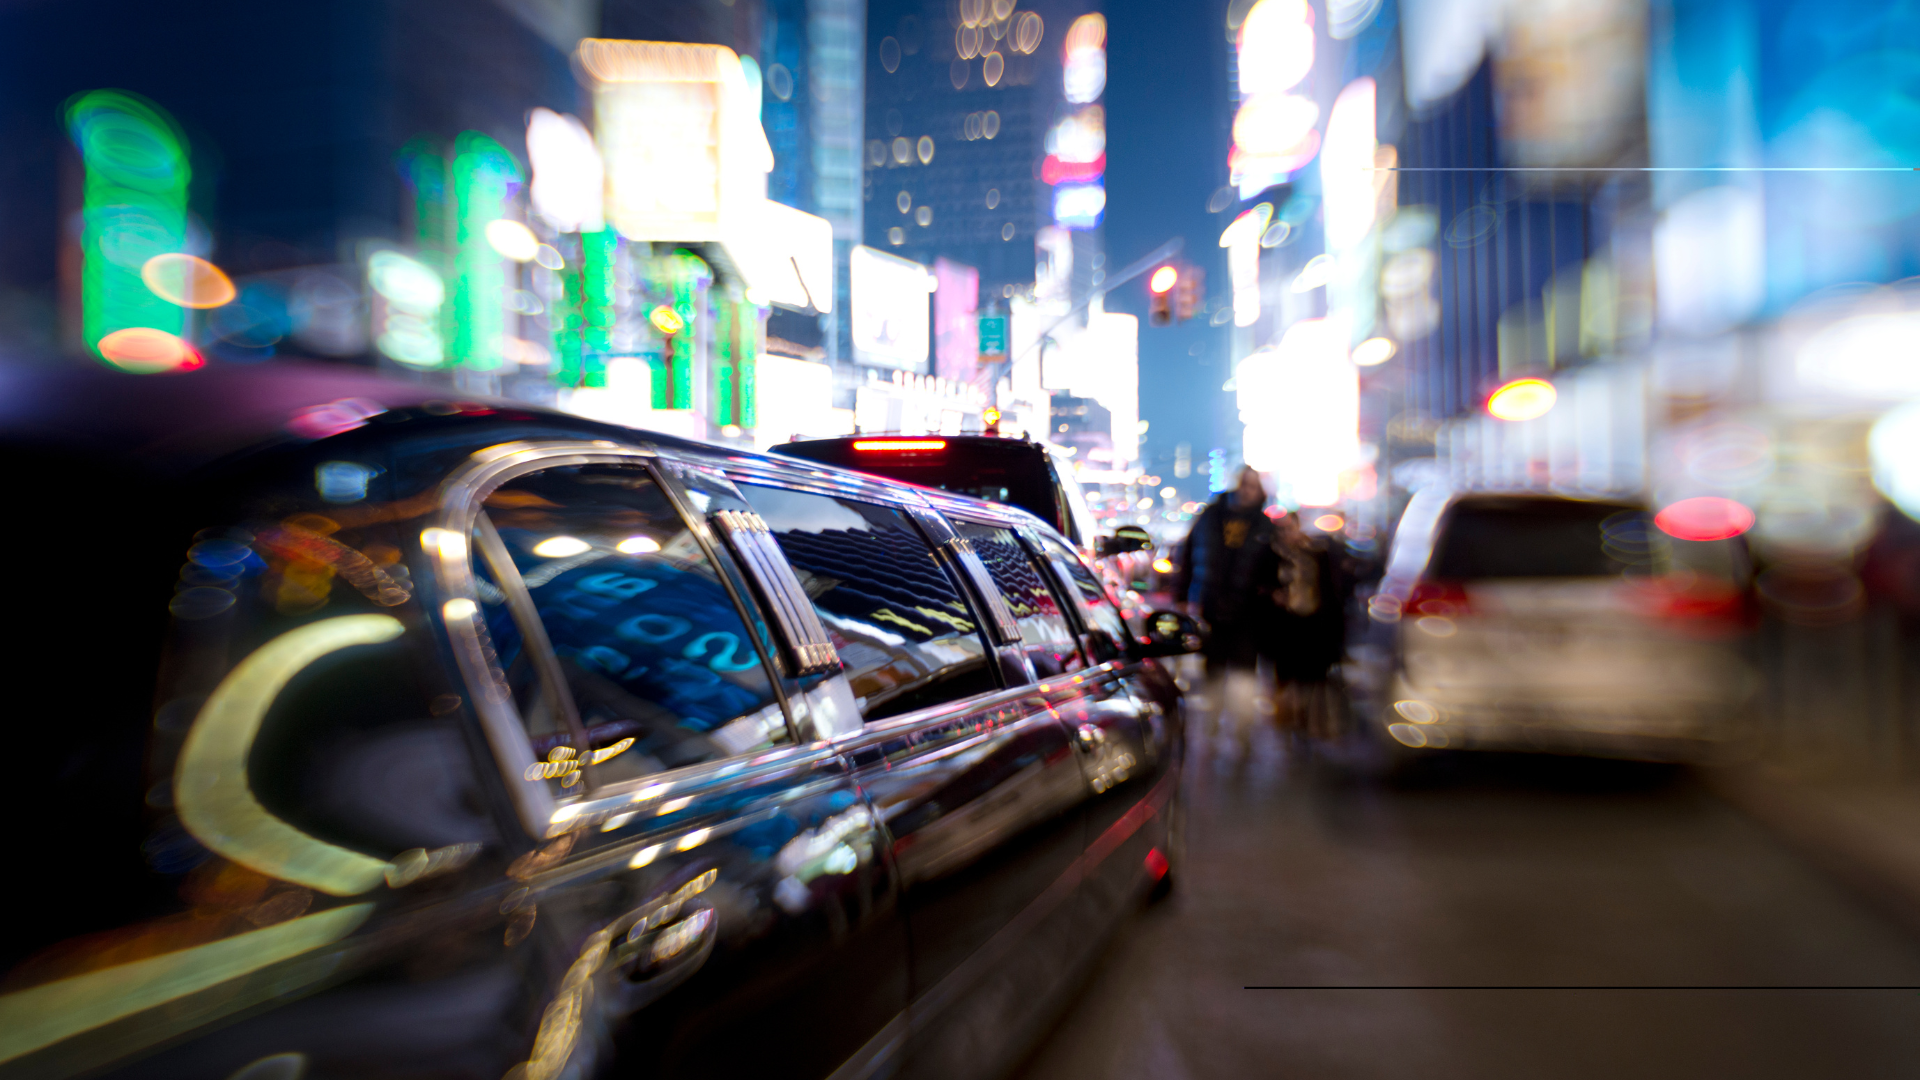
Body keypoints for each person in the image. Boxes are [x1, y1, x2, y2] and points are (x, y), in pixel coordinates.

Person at [1172, 467, 1276, 752]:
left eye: (1253, 486)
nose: (1247, 490)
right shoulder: (1210, 517)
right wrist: (1182, 595)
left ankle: (1241, 732)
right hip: (1212, 605)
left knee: (1243, 671)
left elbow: (1272, 571)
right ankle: (1213, 727)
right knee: (1214, 668)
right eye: (1244, 484)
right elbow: (1188, 555)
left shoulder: (1265, 526)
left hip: (1248, 611)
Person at [1255, 512, 1349, 742]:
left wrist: (1336, 632)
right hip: (1283, 627)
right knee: (1285, 680)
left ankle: (1310, 725)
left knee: (1312, 679)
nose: (1288, 534)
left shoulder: (1318, 554)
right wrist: (1272, 595)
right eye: (1283, 530)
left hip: (1313, 626)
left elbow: (1331, 592)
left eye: (1291, 528)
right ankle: (1289, 725)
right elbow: (1258, 588)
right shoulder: (1269, 555)